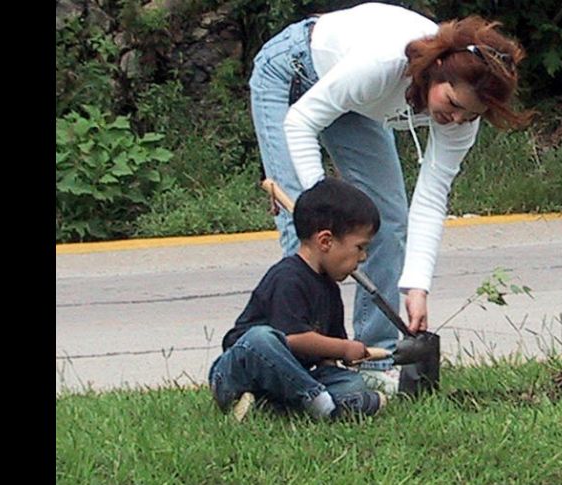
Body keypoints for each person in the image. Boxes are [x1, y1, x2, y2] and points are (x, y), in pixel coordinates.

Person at [249, 2, 533, 392]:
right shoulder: (384, 64)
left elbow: (431, 199)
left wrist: (416, 287)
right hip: (293, 69)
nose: (455, 120)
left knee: (387, 219)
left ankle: (373, 362)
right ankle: (295, 367)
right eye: (451, 105)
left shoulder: (463, 118)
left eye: (469, 115)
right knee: (305, 231)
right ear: (436, 71)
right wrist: (322, 204)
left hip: (354, 101)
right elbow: (301, 121)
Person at [208, 177, 387, 420]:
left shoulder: (330, 289)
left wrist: (336, 361)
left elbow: (326, 356)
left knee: (351, 382)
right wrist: (345, 348)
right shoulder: (288, 278)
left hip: (290, 381)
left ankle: (274, 408)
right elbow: (292, 340)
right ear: (325, 241)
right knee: (261, 337)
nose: (363, 257)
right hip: (238, 374)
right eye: (360, 247)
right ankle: (323, 405)